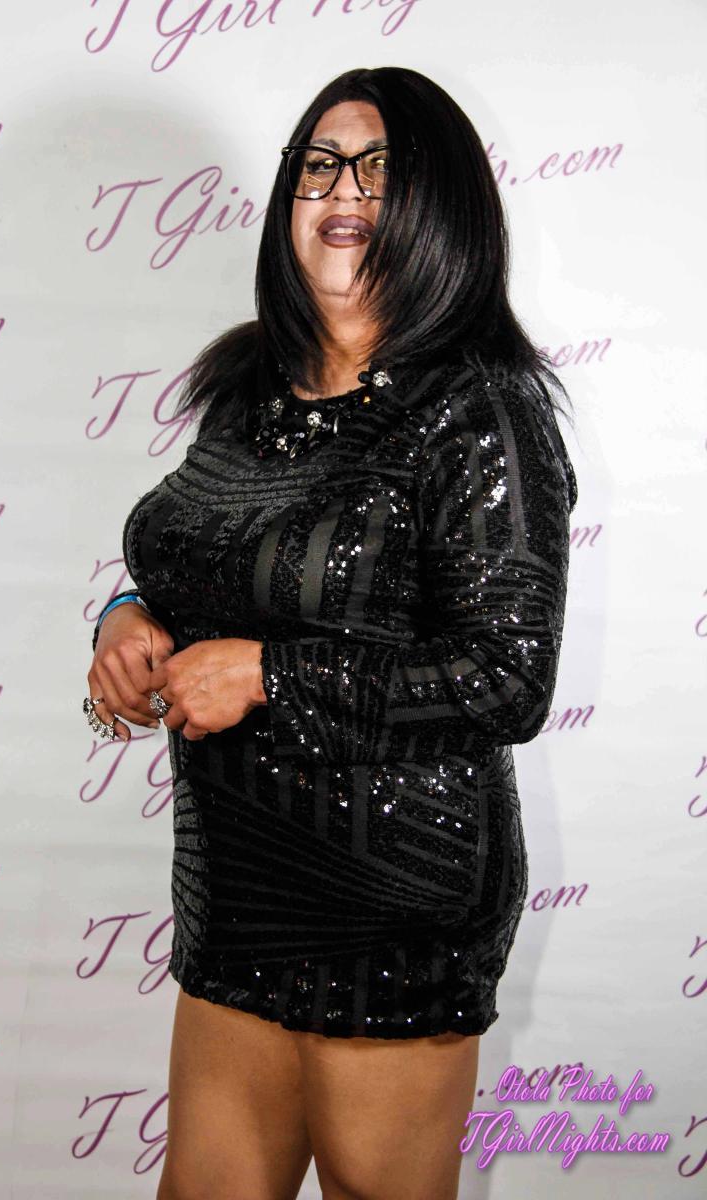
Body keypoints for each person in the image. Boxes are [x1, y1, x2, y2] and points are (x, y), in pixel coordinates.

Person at [84, 66, 578, 1200]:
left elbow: (506, 679)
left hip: (393, 904)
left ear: (441, 204)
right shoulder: (246, 386)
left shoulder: (479, 411)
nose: (343, 190)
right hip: (237, 890)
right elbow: (209, 567)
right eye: (318, 165)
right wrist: (128, 618)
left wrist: (268, 675)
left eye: (379, 168)